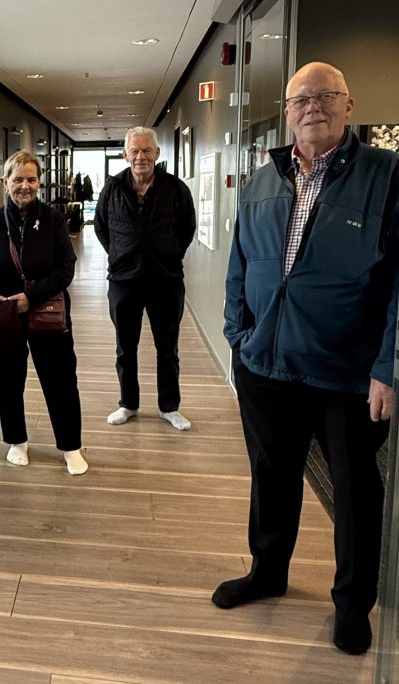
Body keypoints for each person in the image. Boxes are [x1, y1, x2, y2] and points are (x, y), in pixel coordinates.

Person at [213, 62, 399, 656]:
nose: (312, 106)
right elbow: (241, 261)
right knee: (271, 475)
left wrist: (387, 368)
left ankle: (352, 605)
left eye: (325, 96)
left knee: (355, 489)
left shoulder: (386, 175)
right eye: (301, 99)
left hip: (346, 369)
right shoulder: (262, 179)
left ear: (349, 106)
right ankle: (268, 572)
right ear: (287, 112)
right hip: (266, 364)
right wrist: (237, 333)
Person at [0, 150, 88, 475]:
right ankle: (16, 441)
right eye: (18, 179)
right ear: (5, 182)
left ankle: (71, 446)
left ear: (39, 183)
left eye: (31, 179)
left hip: (47, 312)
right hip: (4, 316)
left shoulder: (53, 219)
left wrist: (30, 297)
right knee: (8, 381)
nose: (25, 185)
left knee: (61, 381)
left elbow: (66, 267)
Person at [94, 126, 196, 431]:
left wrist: (169, 254)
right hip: (124, 280)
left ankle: (169, 407)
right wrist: (121, 254)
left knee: (168, 348)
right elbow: (101, 228)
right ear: (126, 154)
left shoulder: (175, 189)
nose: (141, 157)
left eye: (147, 150)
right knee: (125, 348)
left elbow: (187, 229)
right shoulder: (112, 189)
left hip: (166, 280)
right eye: (135, 151)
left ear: (157, 154)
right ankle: (128, 403)